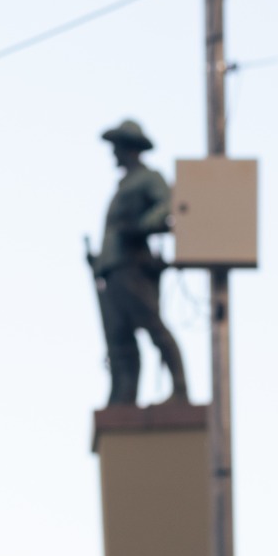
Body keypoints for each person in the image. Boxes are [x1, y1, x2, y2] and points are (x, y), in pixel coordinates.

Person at [90, 118, 187, 408]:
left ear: (129, 148)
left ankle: (180, 389)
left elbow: (167, 204)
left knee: (153, 325)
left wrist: (143, 225)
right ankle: (124, 397)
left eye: (117, 147)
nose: (114, 153)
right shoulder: (123, 185)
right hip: (113, 268)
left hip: (132, 265)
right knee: (120, 338)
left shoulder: (148, 178)